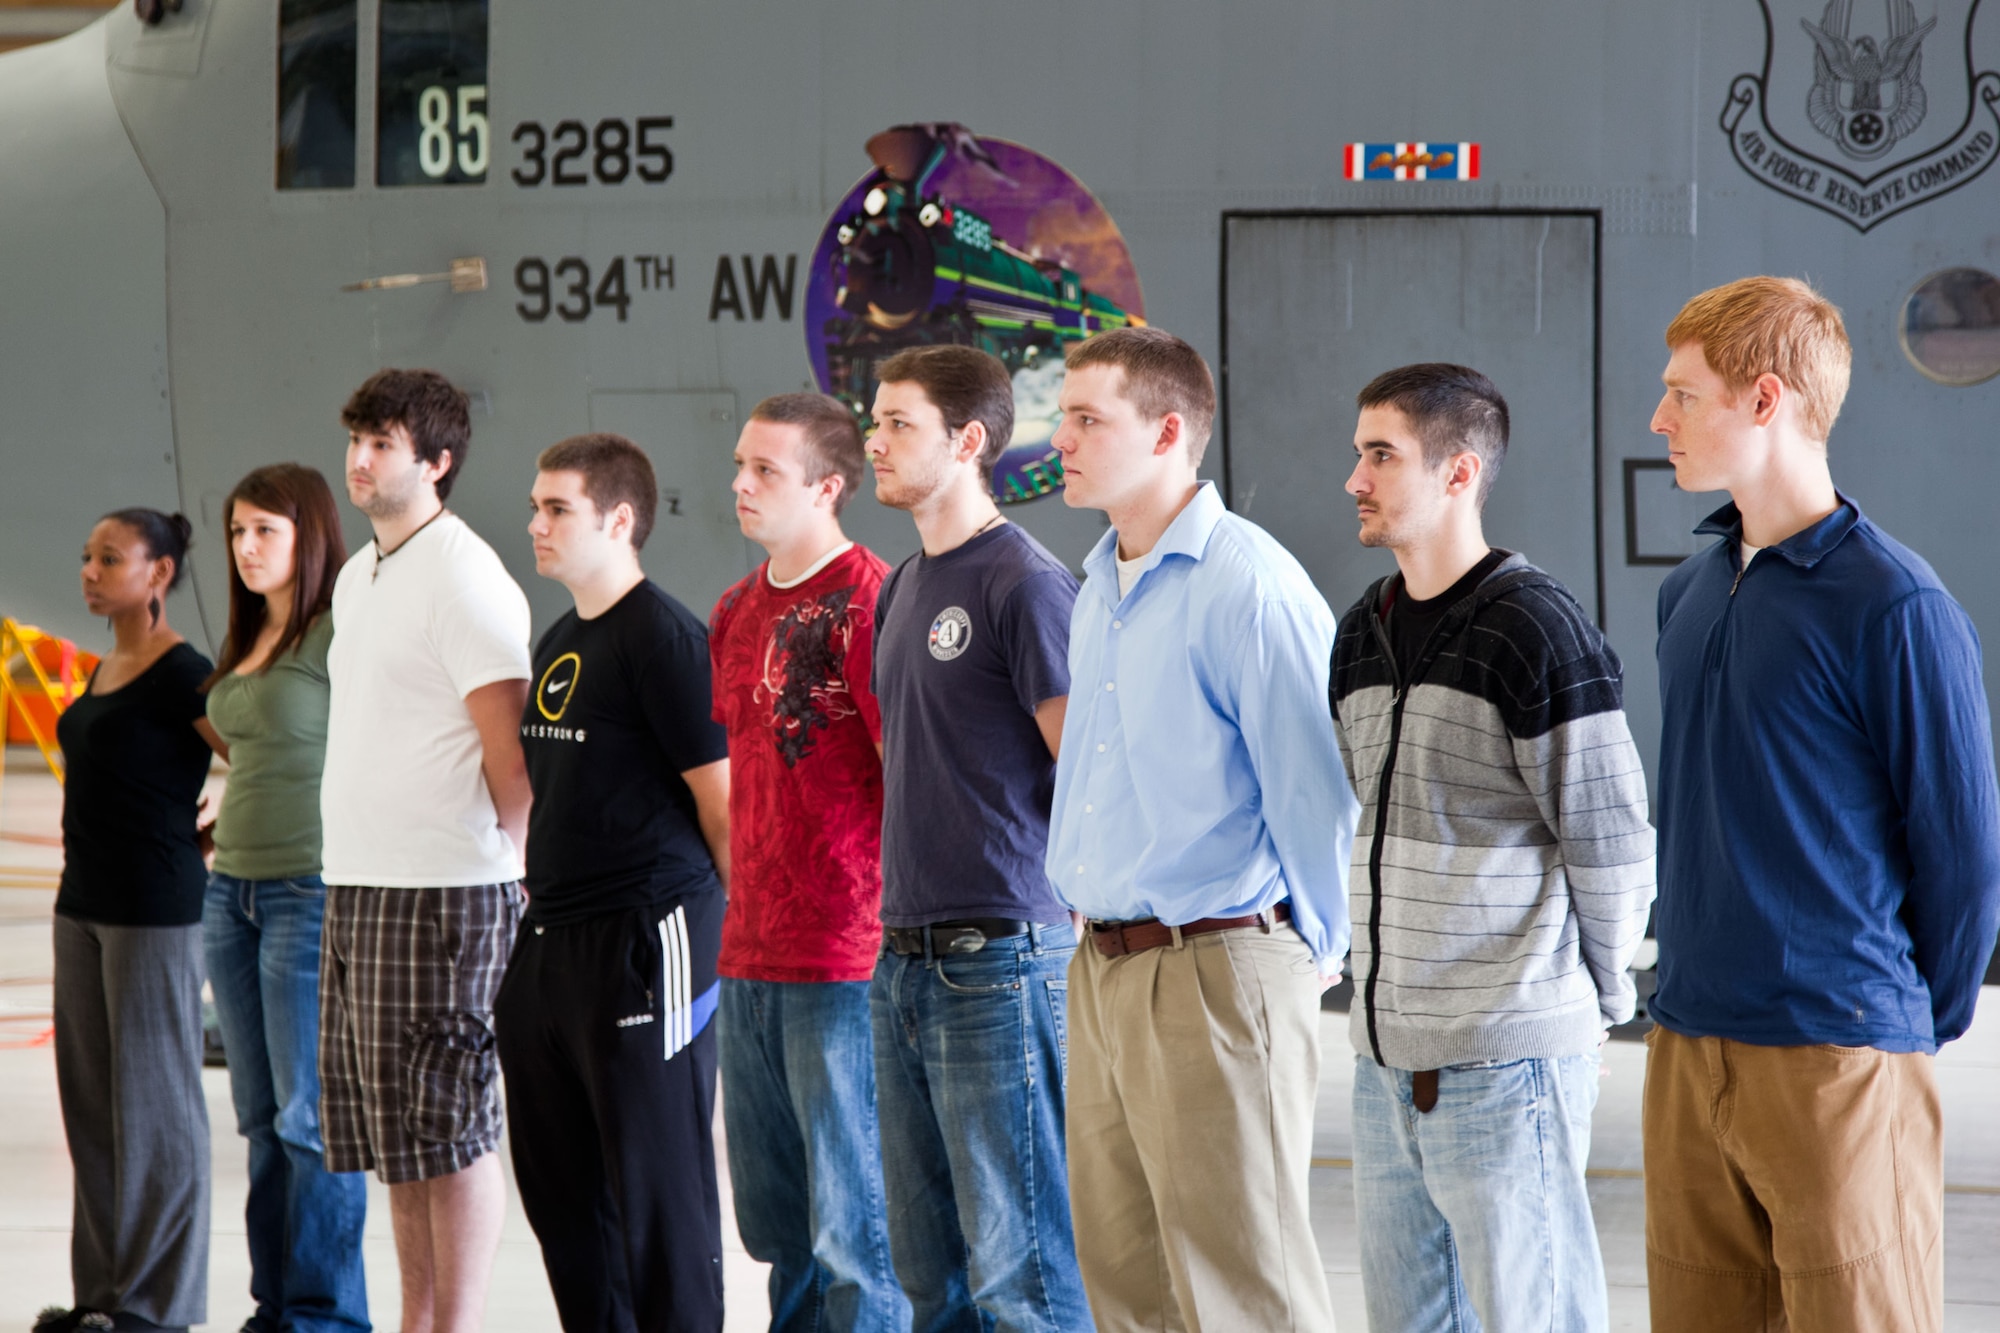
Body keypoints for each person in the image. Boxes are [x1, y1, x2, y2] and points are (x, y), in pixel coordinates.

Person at [1646, 277, 2000, 1331]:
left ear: (1763, 400)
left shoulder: (1894, 603)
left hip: (1834, 1051)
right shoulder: (1691, 587)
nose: (1657, 418)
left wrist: (1888, 1033)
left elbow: (1962, 855)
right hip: (1684, 1039)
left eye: (1680, 394)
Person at [1331, 364, 1656, 1333]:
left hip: (1503, 1065)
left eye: (1379, 454)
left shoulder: (1534, 629)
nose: (1353, 477)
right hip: (1383, 1064)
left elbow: (1608, 839)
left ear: (1457, 471)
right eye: (1357, 453)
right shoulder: (1360, 633)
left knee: (1536, 1318)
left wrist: (1591, 1005)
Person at [1044, 326, 1355, 1331]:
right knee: (1128, 1286)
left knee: (1242, 1286)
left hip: (1214, 964)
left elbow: (1314, 786)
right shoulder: (1100, 584)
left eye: (1088, 419)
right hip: (1101, 966)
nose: (1062, 438)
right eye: (1062, 416)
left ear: (1168, 430)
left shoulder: (1245, 585)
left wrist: (1311, 948)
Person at [865, 345, 1092, 1331]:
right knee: (930, 1277)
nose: (873, 440)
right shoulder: (901, 585)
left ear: (966, 442)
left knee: (1023, 1274)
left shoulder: (1024, 583)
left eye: (897, 424)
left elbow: (1084, 777)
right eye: (873, 422)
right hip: (901, 959)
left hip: (999, 961)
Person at [494, 433, 733, 1332]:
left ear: (619, 519)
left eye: (556, 509)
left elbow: (724, 808)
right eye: (536, 506)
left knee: (658, 1197)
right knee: (566, 1205)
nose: (535, 525)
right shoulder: (561, 636)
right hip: (551, 946)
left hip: (647, 942)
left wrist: (727, 950)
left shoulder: (666, 639)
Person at [317, 368, 532, 1333]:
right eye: (357, 440)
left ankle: (461, 1321)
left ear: (437, 462)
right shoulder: (361, 572)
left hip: (444, 892)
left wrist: (506, 878)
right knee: (394, 1140)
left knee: (448, 1130)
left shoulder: (466, 574)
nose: (360, 460)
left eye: (383, 444)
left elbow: (512, 764)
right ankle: (417, 1317)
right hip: (361, 885)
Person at [708, 395, 906, 1332]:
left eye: (766, 471)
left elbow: (904, 777)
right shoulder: (734, 611)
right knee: (777, 1228)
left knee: (856, 1230)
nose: (740, 484)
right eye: (740, 464)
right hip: (746, 956)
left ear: (828, 486)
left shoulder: (872, 599)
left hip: (843, 960)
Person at [201, 465, 369, 1333]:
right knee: (261, 1121)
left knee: (313, 1121)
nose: (247, 547)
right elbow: (248, 744)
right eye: (236, 531)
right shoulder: (248, 636)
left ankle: (329, 1316)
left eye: (266, 530)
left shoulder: (338, 630)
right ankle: (279, 1309)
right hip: (231, 893)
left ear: (309, 535)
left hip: (310, 891)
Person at [39, 509, 213, 1333]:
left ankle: (157, 1306)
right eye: (86, 555)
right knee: (94, 1111)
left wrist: (210, 832)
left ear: (160, 573)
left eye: (110, 557)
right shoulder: (106, 665)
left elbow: (256, 758)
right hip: (82, 907)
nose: (89, 570)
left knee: (156, 1113)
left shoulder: (185, 673)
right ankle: (102, 1300)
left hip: (153, 910)